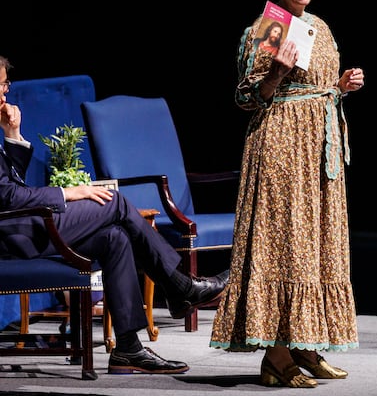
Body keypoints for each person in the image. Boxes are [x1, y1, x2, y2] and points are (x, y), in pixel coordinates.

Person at [0, 54, 230, 375]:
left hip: (20, 225)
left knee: (114, 237)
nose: (4, 94)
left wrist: (12, 135)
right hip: (13, 234)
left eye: (5, 85)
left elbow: (10, 185)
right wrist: (69, 192)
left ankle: (128, 349)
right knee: (116, 203)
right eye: (0, 86)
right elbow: (9, 197)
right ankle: (179, 287)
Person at [209, 0, 365, 389]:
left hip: (318, 150)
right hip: (280, 148)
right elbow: (244, 98)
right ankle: (276, 359)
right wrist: (275, 72)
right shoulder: (270, 28)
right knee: (285, 246)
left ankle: (306, 345)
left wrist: (342, 86)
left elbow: (317, 87)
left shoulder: (320, 26)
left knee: (316, 245)